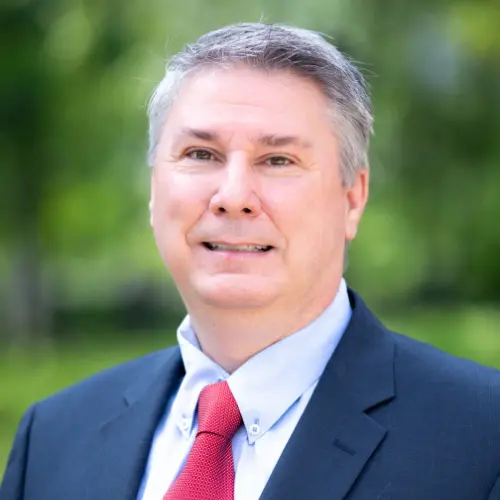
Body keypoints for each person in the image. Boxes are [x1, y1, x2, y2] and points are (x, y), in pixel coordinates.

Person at [1, 22, 500, 500]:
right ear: (154, 190)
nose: (233, 195)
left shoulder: (482, 438)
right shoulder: (53, 438)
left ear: (352, 198)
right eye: (200, 154)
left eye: (278, 160)